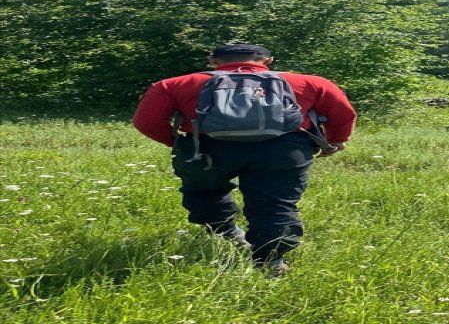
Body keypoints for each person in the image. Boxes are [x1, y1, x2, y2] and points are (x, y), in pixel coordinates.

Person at [132, 43, 357, 275]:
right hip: (284, 149)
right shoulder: (312, 82)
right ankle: (271, 261)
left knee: (204, 192)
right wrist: (336, 140)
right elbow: (342, 114)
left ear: (213, 62)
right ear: (267, 61)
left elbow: (146, 121)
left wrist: (177, 143)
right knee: (275, 203)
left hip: (205, 147)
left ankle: (226, 231)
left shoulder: (174, 84)